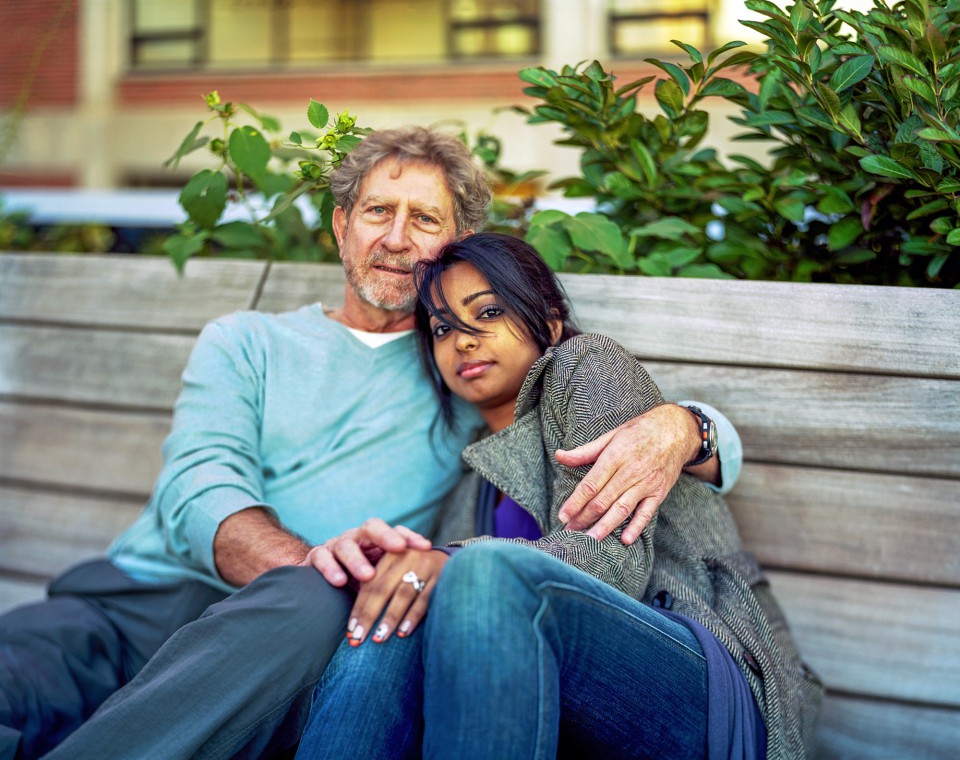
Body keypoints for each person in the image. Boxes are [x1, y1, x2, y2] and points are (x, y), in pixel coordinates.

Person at [1, 128, 740, 760]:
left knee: (318, 611)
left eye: (424, 218)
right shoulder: (248, 341)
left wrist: (688, 426)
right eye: (378, 211)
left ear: (460, 244)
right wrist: (308, 564)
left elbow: (578, 396)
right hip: (137, 607)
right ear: (340, 226)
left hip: (296, 635)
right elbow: (200, 483)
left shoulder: (465, 377)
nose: (395, 236)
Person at [294, 234, 821, 759]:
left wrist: (450, 560)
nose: (464, 340)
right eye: (442, 329)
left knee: (478, 573)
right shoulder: (471, 480)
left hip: (710, 686)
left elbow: (613, 561)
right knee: (394, 616)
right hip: (582, 707)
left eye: (489, 311)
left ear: (546, 323)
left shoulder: (586, 367)